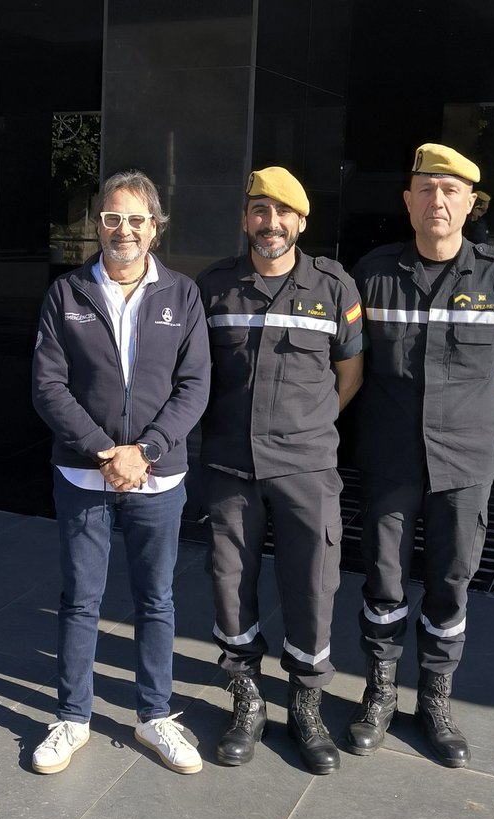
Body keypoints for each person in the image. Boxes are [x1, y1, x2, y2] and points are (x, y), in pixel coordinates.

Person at [347, 144, 494, 768]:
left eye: (450, 191)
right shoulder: (373, 273)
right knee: (383, 578)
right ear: (408, 201)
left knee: (451, 582)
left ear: (469, 203)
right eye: (426, 189)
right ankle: (379, 692)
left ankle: (435, 697)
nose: (438, 200)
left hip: (464, 464)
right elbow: (349, 358)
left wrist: (470, 405)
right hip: (390, 458)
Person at [31, 170, 210, 775]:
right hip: (84, 476)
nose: (123, 229)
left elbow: (195, 387)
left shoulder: (183, 295)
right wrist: (107, 452)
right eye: (112, 218)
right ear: (98, 225)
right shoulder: (67, 294)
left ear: (154, 227)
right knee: (80, 600)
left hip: (158, 478)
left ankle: (155, 715)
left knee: (155, 600)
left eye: (136, 219)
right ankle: (72, 718)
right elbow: (48, 386)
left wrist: (146, 451)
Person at [198, 167, 363, 775]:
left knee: (314, 583)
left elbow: (350, 375)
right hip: (230, 464)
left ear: (301, 222)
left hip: (307, 467)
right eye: (259, 211)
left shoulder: (335, 287)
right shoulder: (213, 287)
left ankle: (305, 702)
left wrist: (306, 429)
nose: (270, 224)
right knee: (228, 580)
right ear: (245, 218)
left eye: (282, 213)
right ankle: (246, 698)